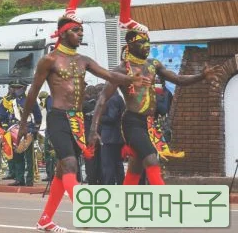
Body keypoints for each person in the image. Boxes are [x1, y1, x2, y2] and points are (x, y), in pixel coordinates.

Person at [19, 16, 148, 232]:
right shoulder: (49, 60)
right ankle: (87, 210)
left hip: (77, 119)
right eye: (76, 31)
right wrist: (24, 123)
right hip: (58, 117)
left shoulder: (84, 60)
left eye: (81, 31)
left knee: (63, 170)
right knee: (71, 165)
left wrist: (131, 80)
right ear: (63, 33)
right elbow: (32, 92)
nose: (81, 34)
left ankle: (45, 220)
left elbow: (108, 75)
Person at [89, 31, 221, 186]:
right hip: (132, 122)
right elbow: (103, 98)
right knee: (151, 159)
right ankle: (165, 202)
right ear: (130, 45)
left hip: (149, 123)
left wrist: (201, 76)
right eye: (141, 42)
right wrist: (93, 129)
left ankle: (125, 201)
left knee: (136, 166)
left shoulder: (153, 64)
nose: (146, 46)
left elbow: (178, 79)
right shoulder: (121, 70)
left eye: (148, 42)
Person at [10, 79, 42, 187]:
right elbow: (11, 117)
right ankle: (19, 179)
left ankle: (29, 179)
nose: (16, 89)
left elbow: (38, 117)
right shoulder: (13, 102)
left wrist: (34, 130)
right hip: (16, 131)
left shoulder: (30, 100)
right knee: (18, 155)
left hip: (28, 130)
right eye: (15, 87)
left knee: (29, 157)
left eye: (18, 87)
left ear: (24, 88)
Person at [99, 89, 125, 185]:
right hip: (117, 137)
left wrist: (98, 117)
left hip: (110, 137)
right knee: (118, 164)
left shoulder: (112, 99)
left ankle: (109, 186)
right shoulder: (119, 99)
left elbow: (111, 117)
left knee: (108, 164)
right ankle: (120, 184)